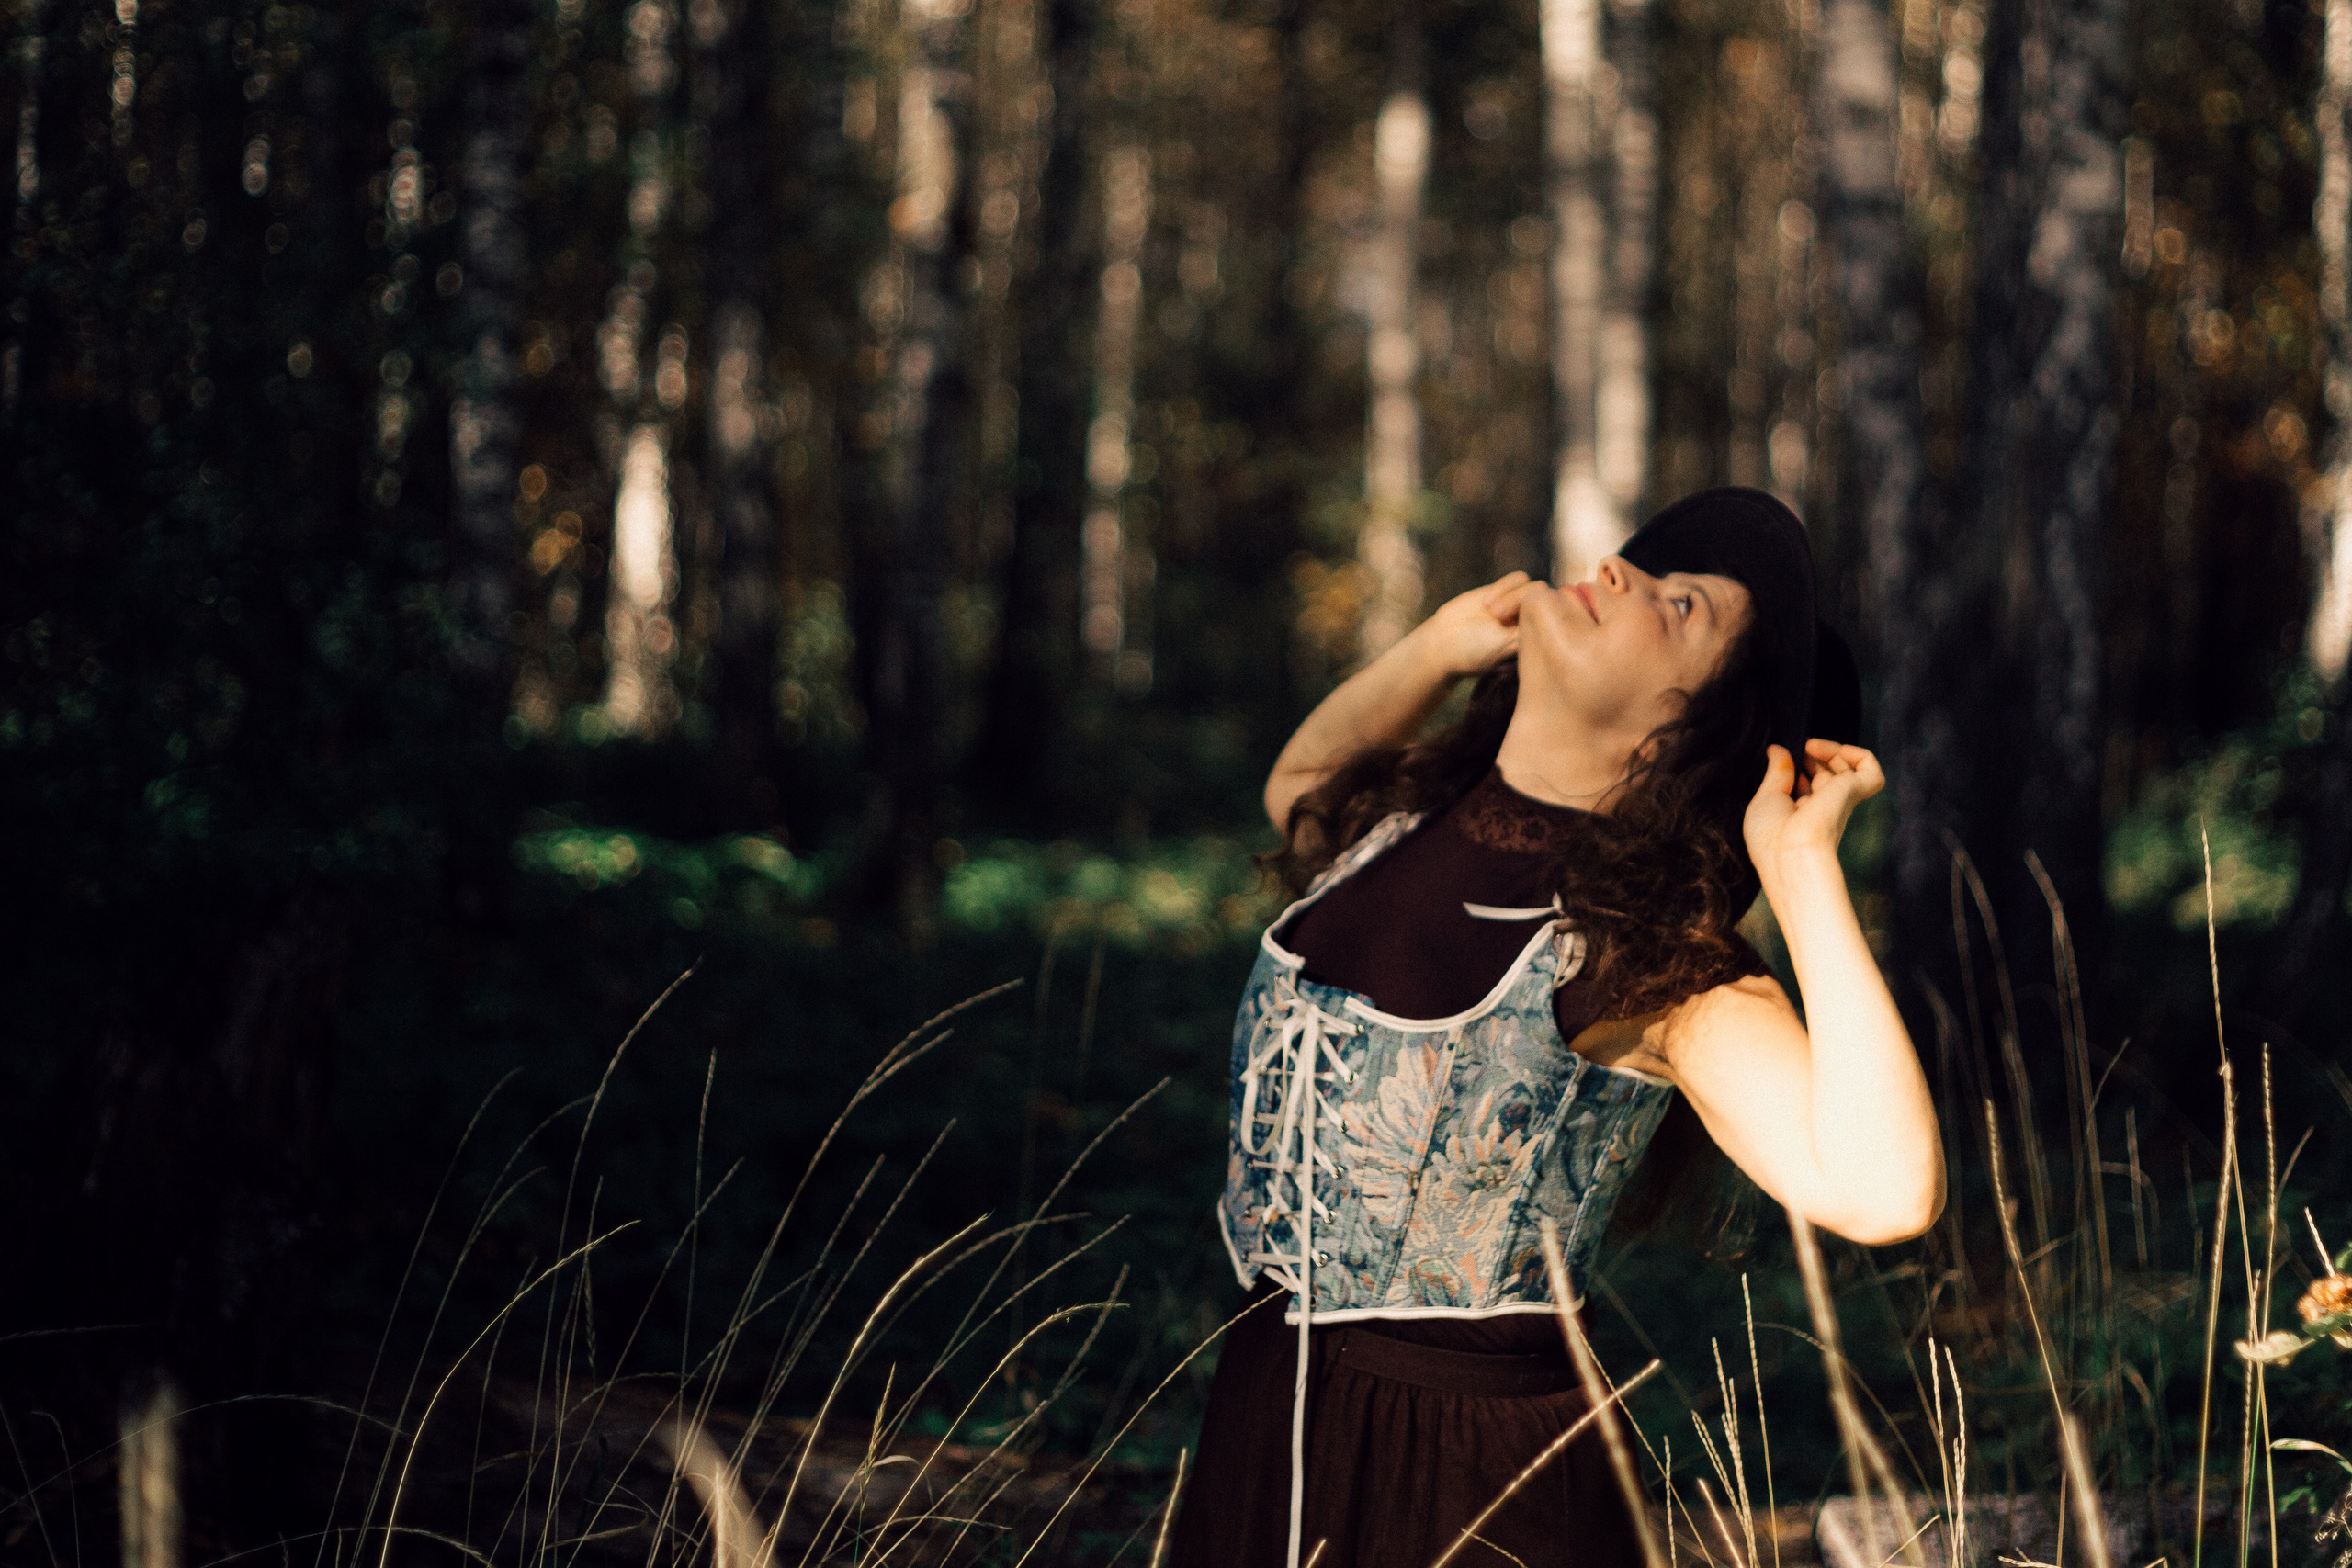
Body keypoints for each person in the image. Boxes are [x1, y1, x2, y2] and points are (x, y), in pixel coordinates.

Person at [1164, 488, 1944, 1568]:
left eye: (1678, 608)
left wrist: (1799, 868)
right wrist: (1435, 649)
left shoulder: (1636, 957)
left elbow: (1883, 1190)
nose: (1617, 572)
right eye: (1642, 569)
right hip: (1265, 1427)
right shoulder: (1401, 821)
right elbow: (1297, 784)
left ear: (1681, 733)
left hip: (1471, 1479)